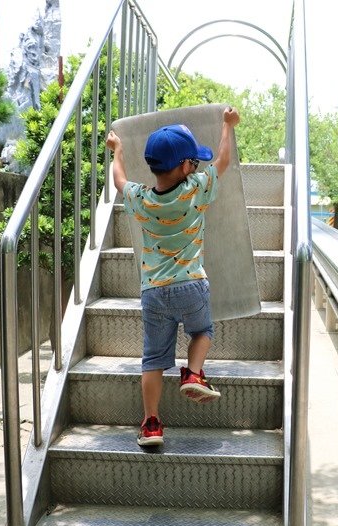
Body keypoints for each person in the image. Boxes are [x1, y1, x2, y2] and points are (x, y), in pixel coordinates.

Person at [106, 107, 240, 447]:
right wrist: (228, 126)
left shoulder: (141, 198)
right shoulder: (195, 188)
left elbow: (119, 179)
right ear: (184, 167)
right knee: (202, 331)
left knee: (153, 359)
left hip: (154, 291)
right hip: (193, 284)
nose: (196, 167)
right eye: (194, 162)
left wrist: (117, 151)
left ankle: (151, 423)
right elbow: (223, 161)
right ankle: (194, 372)